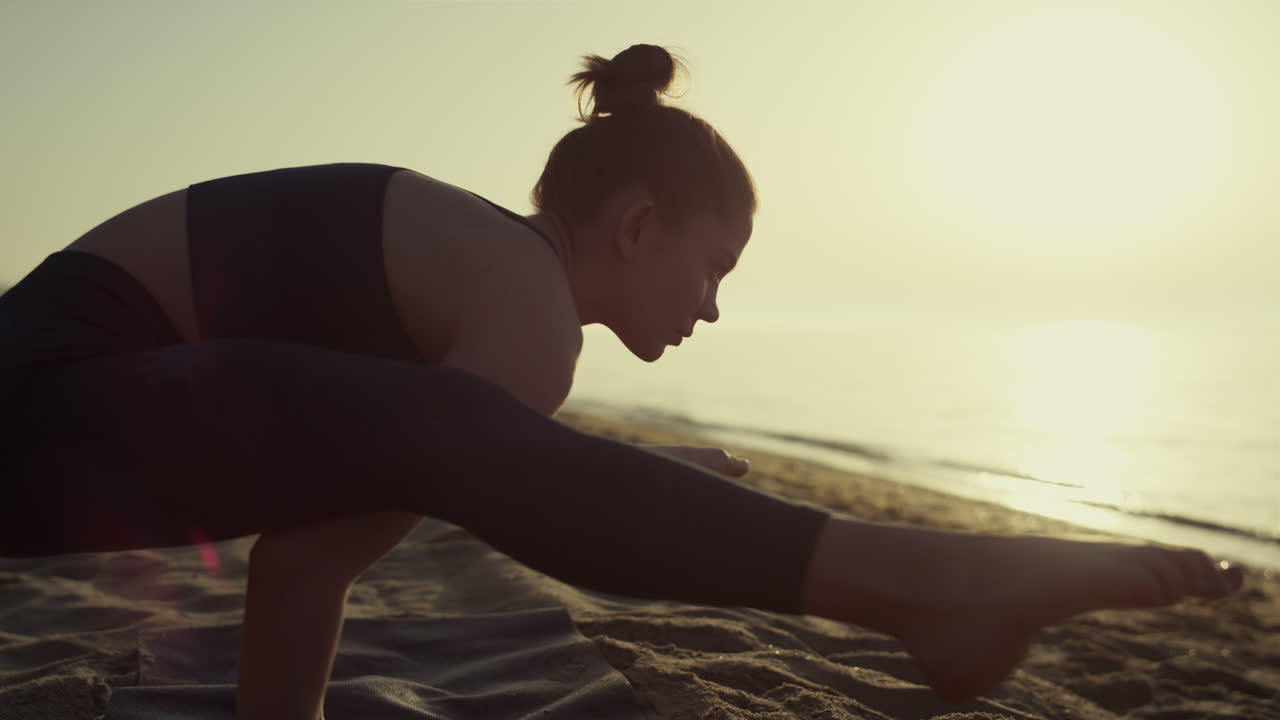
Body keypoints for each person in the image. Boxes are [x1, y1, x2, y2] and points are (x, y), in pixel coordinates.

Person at [0, 44, 1244, 720]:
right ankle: (925, 587)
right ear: (637, 226)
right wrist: (598, 470)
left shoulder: (457, 300)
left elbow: (305, 558)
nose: (712, 307)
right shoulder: (525, 310)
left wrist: (587, 466)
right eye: (713, 268)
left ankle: (925, 589)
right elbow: (369, 522)